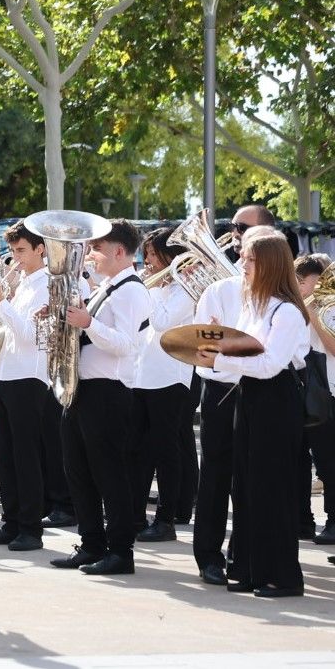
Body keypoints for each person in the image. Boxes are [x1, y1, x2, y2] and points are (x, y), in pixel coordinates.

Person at [196, 232, 307, 598]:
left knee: (270, 488)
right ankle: (247, 568)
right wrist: (216, 338)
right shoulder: (254, 304)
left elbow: (271, 364)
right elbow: (247, 348)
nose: (242, 265)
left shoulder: (287, 310)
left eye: (250, 259)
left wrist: (219, 357)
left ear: (270, 264)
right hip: (251, 397)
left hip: (275, 401)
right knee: (245, 485)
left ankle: (282, 577)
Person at [50, 219, 150, 576]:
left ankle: (121, 552)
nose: (90, 255)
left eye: (96, 249)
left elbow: (126, 344)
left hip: (108, 392)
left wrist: (86, 323)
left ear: (119, 252)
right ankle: (91, 544)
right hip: (82, 388)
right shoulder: (107, 286)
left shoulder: (132, 291)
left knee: (110, 475)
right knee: (78, 472)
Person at [192, 220, 279, 586]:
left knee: (249, 477)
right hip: (221, 391)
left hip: (258, 393)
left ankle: (242, 556)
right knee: (214, 476)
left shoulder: (275, 298)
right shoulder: (218, 290)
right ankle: (208, 556)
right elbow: (198, 348)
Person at [0, 221, 52, 551]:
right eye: (13, 251)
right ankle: (11, 521)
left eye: (22, 251)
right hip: (6, 375)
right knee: (4, 455)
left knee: (26, 457)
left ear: (40, 250)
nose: (16, 258)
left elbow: (32, 337)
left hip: (29, 379)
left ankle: (31, 528)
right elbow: (8, 334)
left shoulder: (47, 285)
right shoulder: (21, 285)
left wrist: (1, 301)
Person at [129, 228, 196, 543]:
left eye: (154, 255)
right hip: (143, 373)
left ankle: (166, 519)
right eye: (148, 255)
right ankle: (135, 515)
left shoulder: (187, 288)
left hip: (171, 376)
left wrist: (146, 290)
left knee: (166, 451)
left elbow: (162, 321)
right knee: (139, 450)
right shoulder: (156, 286)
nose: (149, 262)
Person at [297, 254, 335, 543]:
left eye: (302, 282)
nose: (297, 287)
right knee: (301, 458)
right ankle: (303, 520)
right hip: (303, 389)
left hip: (327, 391)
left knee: (328, 462)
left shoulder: (328, 307)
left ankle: (332, 521)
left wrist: (312, 315)